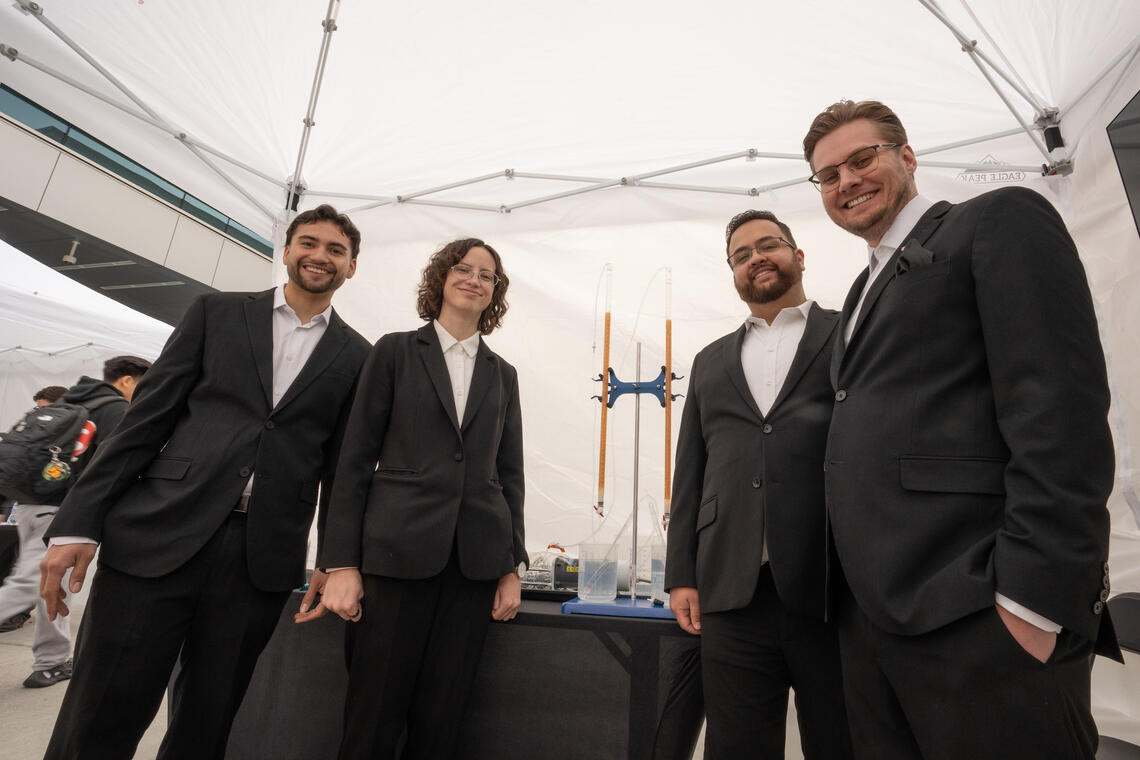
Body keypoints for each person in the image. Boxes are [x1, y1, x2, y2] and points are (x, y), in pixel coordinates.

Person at [802, 99, 1119, 759]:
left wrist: (1030, 603)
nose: (847, 181)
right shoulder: (860, 293)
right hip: (875, 625)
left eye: (862, 160)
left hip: (975, 615)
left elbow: (1061, 411)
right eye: (828, 176)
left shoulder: (997, 219)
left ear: (907, 157)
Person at [38, 204, 371, 759]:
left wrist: (334, 558)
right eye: (308, 243)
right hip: (157, 534)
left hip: (258, 558)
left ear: (352, 267)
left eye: (336, 250)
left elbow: (343, 467)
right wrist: (77, 523)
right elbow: (145, 422)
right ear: (286, 251)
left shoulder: (360, 355)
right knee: (102, 711)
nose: (320, 256)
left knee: (207, 725)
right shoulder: (215, 313)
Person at [300, 237, 526, 759]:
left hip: (472, 569)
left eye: (486, 276)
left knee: (443, 720)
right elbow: (352, 461)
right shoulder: (395, 351)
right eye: (463, 269)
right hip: (393, 561)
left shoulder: (503, 375)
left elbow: (508, 475)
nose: (474, 279)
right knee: (373, 714)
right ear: (441, 279)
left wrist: (511, 563)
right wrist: (340, 563)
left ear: (495, 293)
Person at [664, 210, 852, 759]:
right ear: (734, 274)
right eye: (741, 255)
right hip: (730, 592)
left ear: (798, 255)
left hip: (831, 585)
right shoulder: (709, 361)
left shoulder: (848, 334)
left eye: (768, 245)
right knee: (737, 747)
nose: (756, 258)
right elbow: (690, 472)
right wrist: (682, 574)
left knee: (842, 740)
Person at [0, 368, 145, 675]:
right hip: (60, 512)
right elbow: (119, 461)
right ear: (126, 379)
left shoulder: (65, 404)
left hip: (29, 504)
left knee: (53, 587)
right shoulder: (113, 408)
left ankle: (50, 662)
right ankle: (50, 661)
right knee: (28, 585)